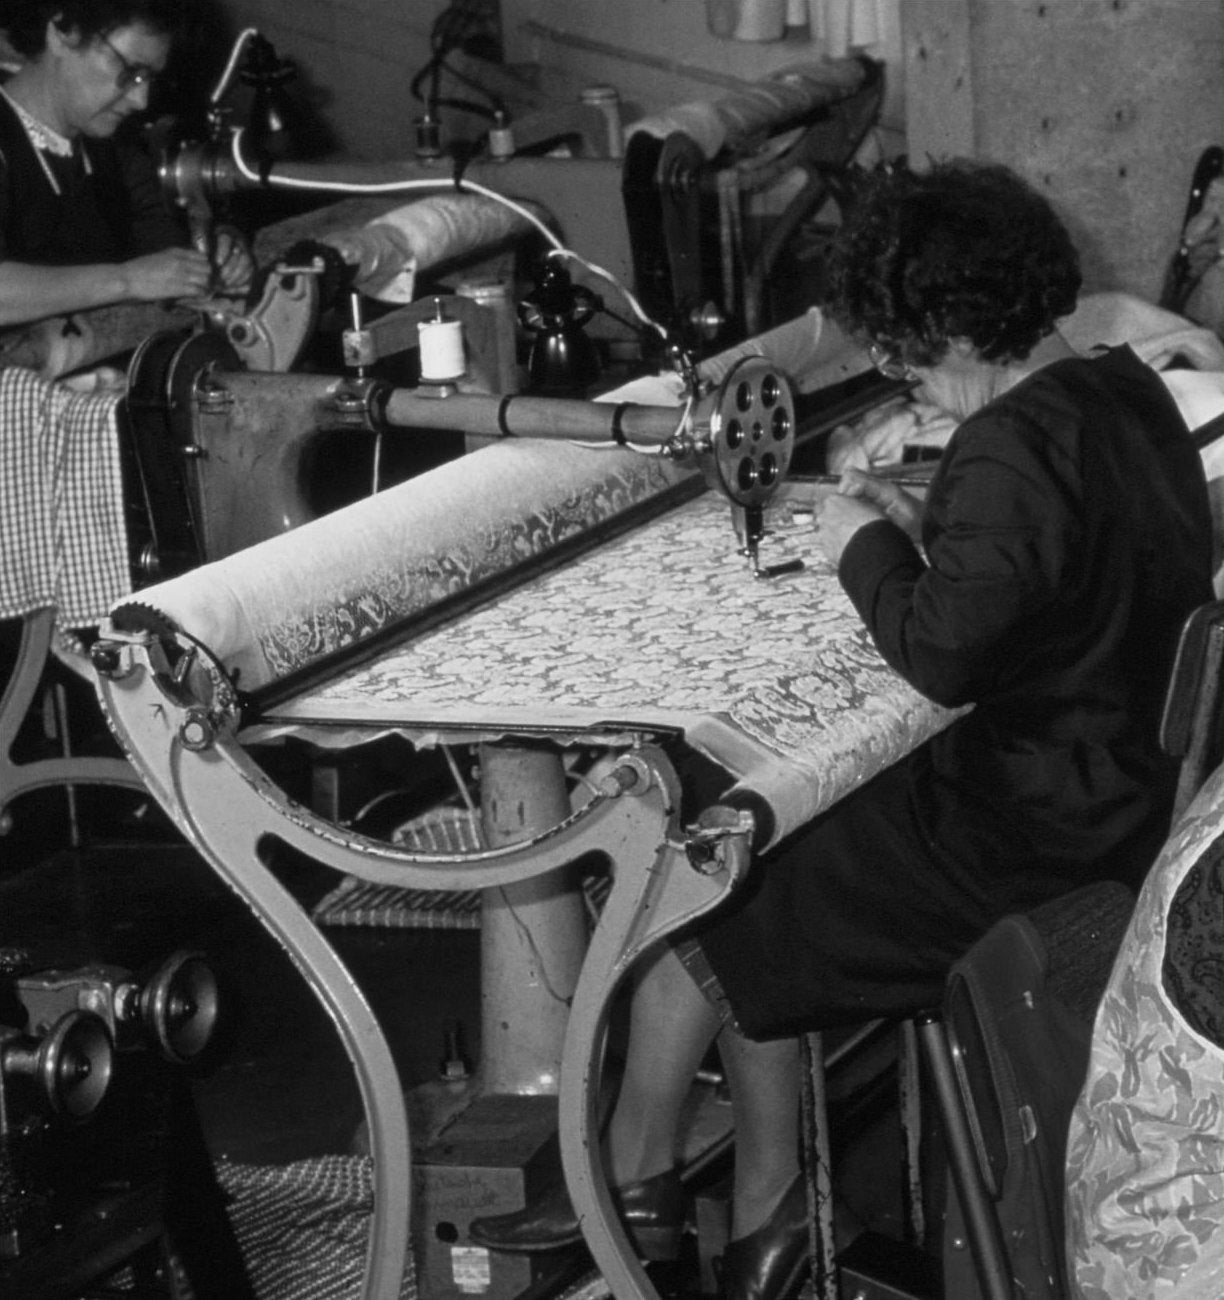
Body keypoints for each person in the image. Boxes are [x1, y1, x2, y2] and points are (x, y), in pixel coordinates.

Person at [469, 159, 1216, 1300]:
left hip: (1032, 843)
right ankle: (767, 1210)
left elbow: (940, 652)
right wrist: (931, 530)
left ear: (955, 327)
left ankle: (627, 1188)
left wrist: (856, 536)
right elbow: (1049, 577)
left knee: (700, 858)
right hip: (1117, 796)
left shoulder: (1008, 445)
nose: (891, 368)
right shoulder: (1122, 396)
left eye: (902, 344)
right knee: (754, 839)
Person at [0, 0, 251, 332]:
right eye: (131, 71)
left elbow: (163, 238)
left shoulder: (119, 150)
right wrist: (125, 281)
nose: (141, 100)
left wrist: (214, 255)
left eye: (149, 78)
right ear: (63, 33)